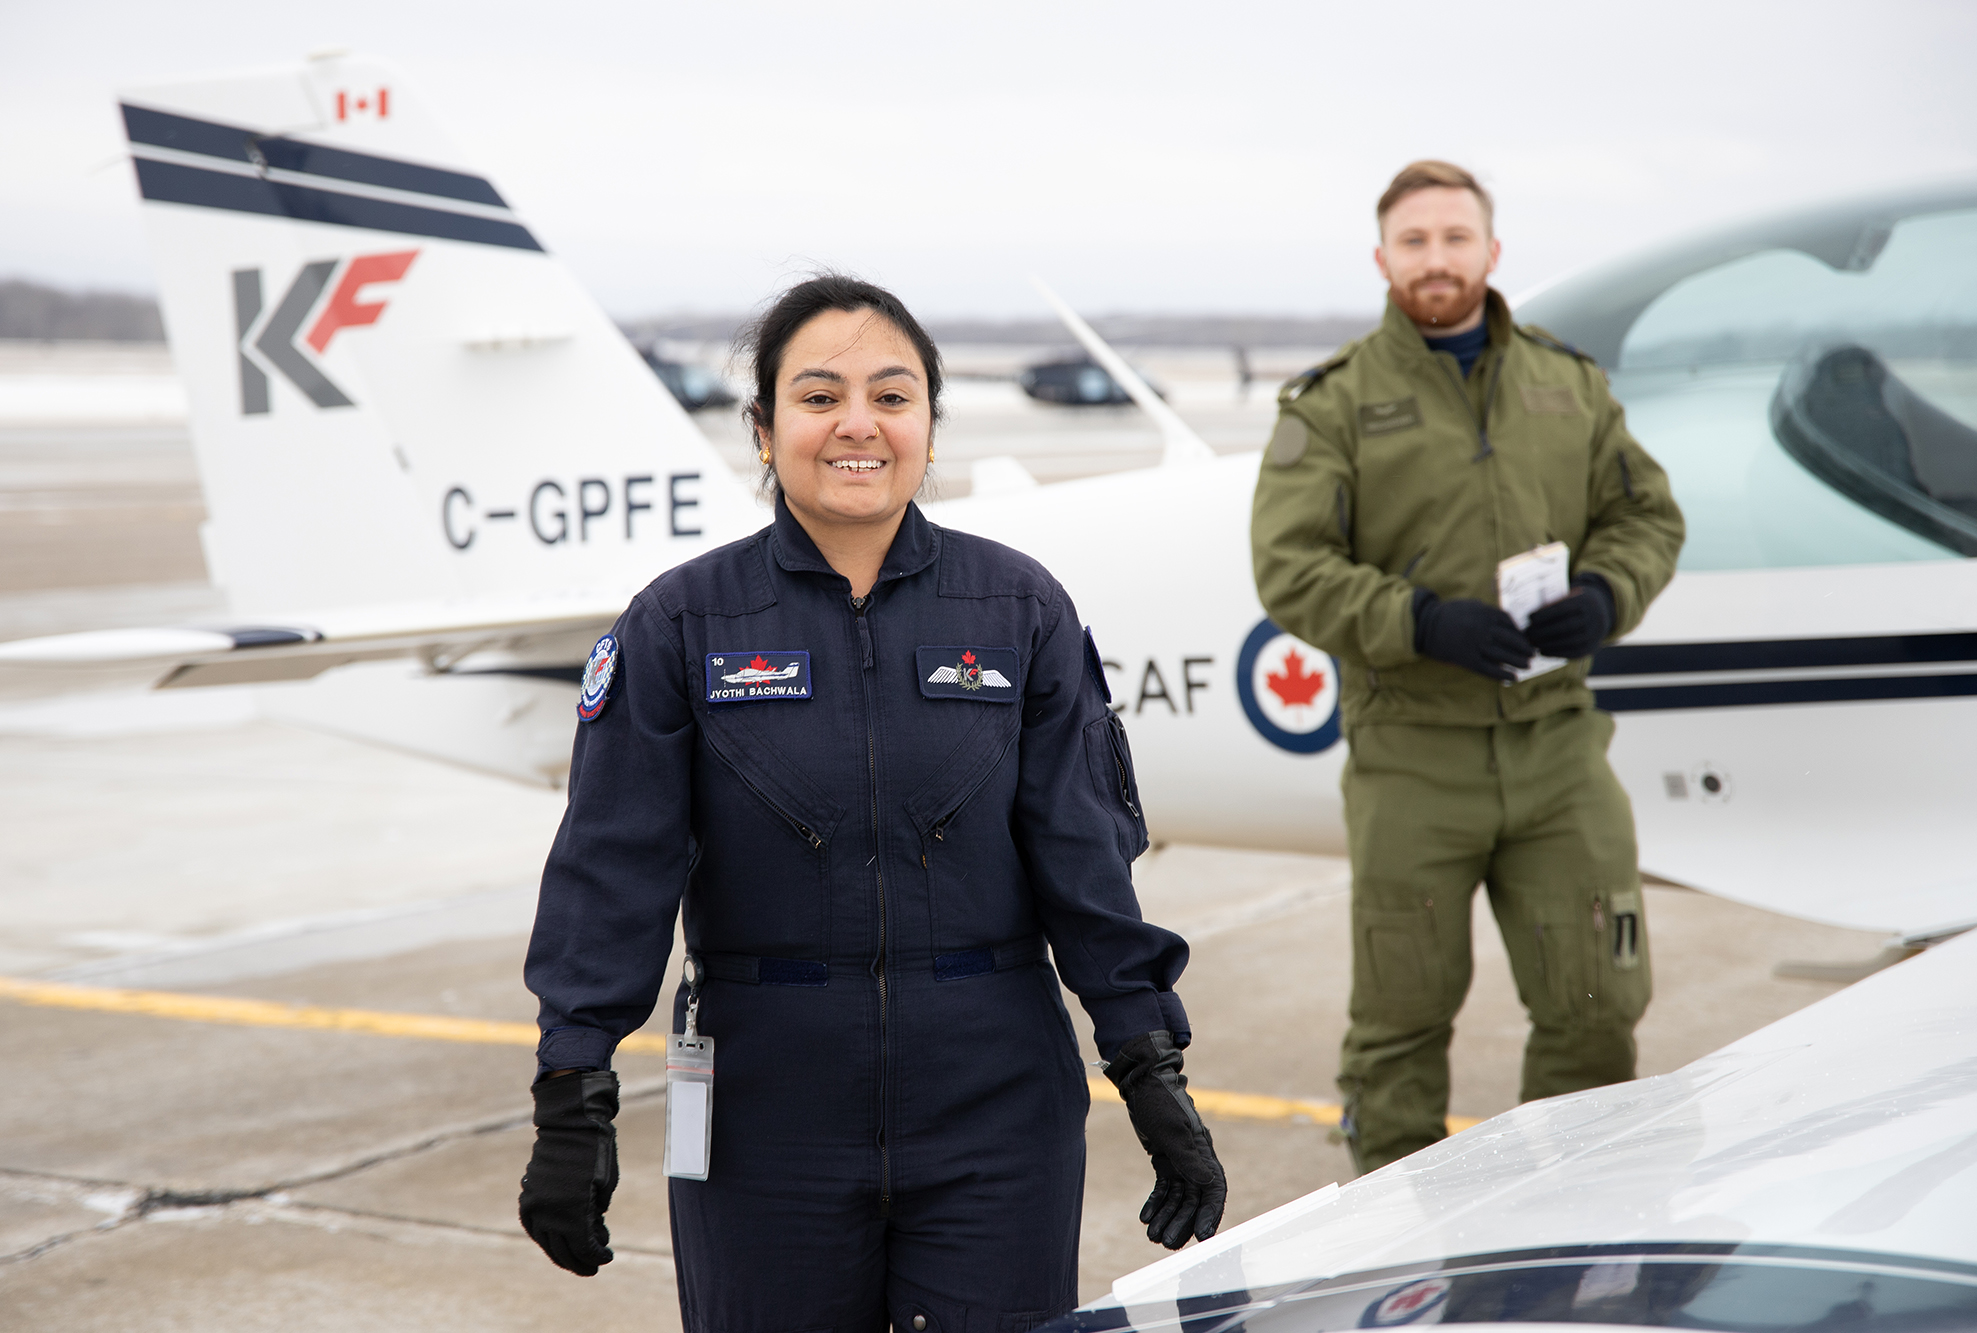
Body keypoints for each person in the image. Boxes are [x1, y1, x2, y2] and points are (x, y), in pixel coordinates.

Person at [517, 275, 1226, 1330]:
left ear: (928, 427)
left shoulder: (1018, 608)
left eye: (892, 397)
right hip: (764, 1120)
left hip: (995, 1114)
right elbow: (611, 868)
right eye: (817, 396)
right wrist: (572, 1086)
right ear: (763, 429)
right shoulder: (678, 624)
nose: (857, 423)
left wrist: (1147, 1064)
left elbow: (1083, 859)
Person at [1248, 161, 1685, 1174]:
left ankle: (1571, 1224)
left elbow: (1644, 514)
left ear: (1490, 252)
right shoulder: (1332, 404)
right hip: (1411, 754)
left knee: (1594, 1008)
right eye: (1413, 242)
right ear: (1381, 260)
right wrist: (1419, 621)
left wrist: (1608, 592)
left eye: (1454, 238)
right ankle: (1388, 1265)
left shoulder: (1564, 382)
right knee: (1398, 1027)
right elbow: (1288, 566)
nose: (1435, 259)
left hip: (1556, 746)